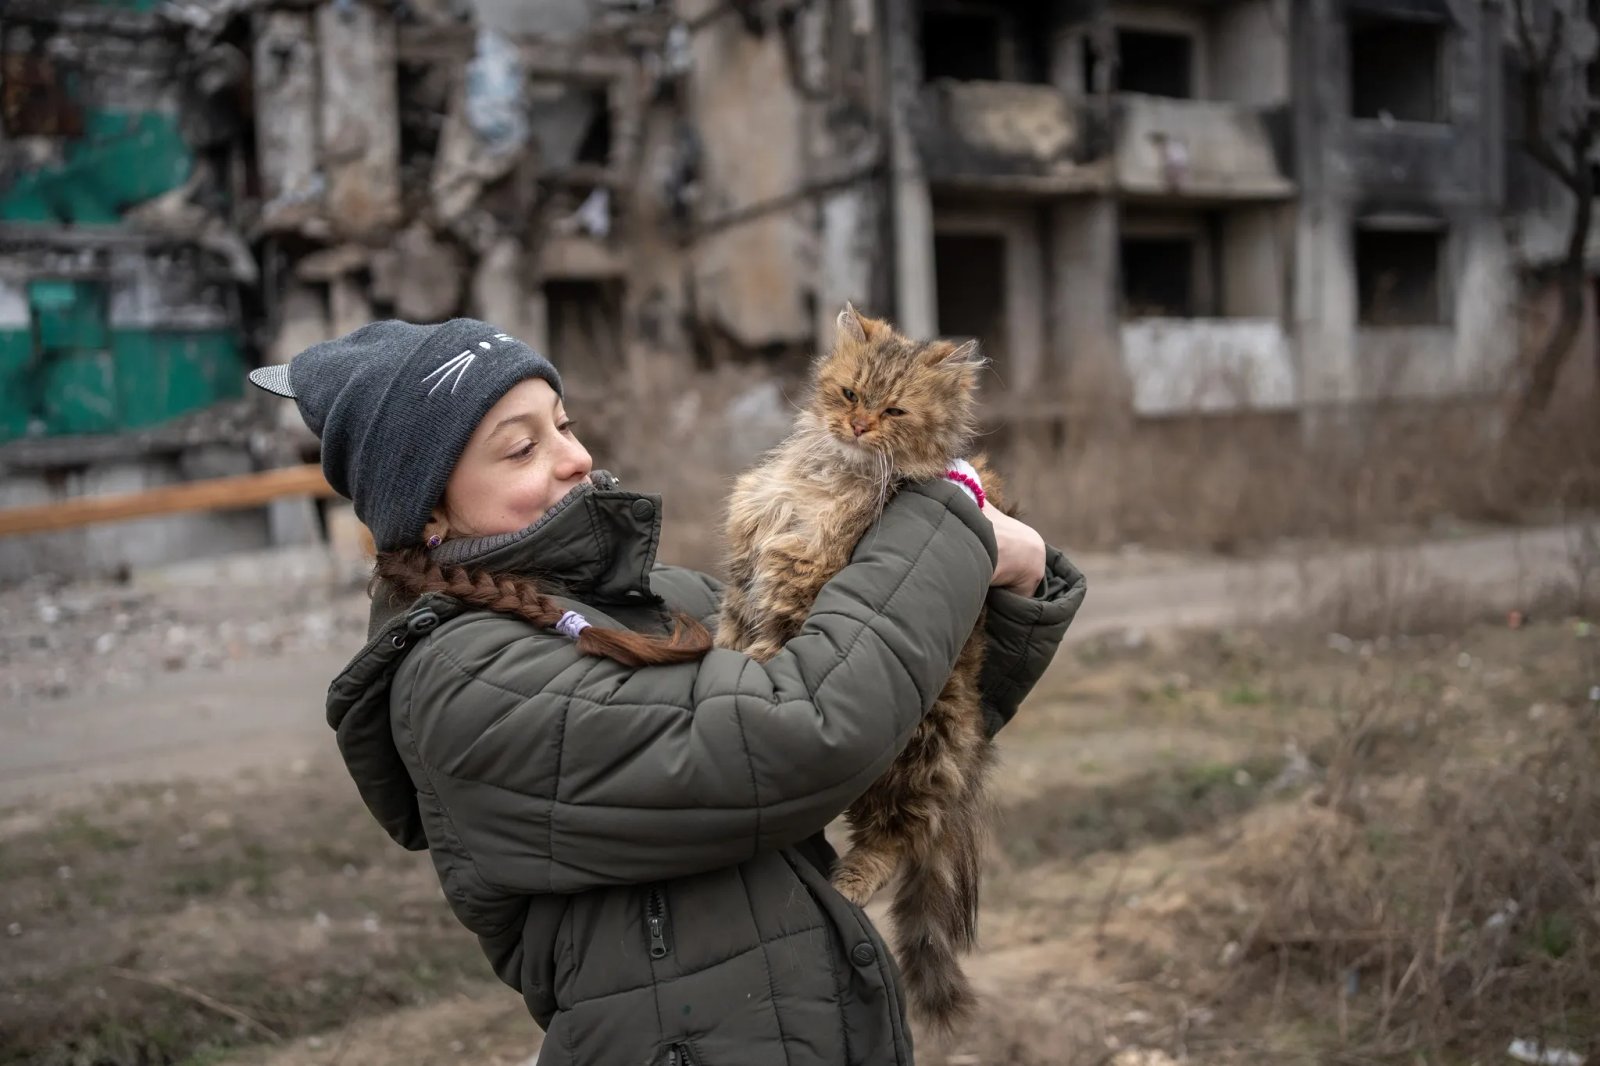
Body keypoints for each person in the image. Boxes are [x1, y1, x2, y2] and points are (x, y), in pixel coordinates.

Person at [248, 318, 1086, 1066]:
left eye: (564, 425)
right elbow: (798, 735)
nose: (576, 455)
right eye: (520, 447)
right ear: (429, 511)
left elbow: (885, 709)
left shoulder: (649, 604)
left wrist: (1010, 596)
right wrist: (949, 522)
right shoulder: (464, 682)